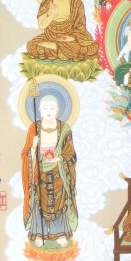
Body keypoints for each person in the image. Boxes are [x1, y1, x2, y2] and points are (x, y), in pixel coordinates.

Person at [21, 93, 78, 247]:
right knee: (38, 201)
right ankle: (39, 233)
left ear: (58, 109)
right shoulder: (34, 128)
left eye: (52, 108)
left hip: (58, 171)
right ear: (39, 109)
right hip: (39, 171)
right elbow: (25, 154)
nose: (48, 111)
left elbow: (71, 154)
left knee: (60, 201)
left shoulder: (64, 129)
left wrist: (58, 159)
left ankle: (59, 233)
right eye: (45, 108)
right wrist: (33, 147)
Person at [26, 0, 98, 62]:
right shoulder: (47, 2)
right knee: (31, 45)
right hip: (50, 37)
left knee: (92, 47)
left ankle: (55, 47)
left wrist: (71, 37)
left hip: (70, 37)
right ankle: (58, 47)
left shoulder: (76, 3)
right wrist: (52, 14)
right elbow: (41, 25)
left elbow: (80, 26)